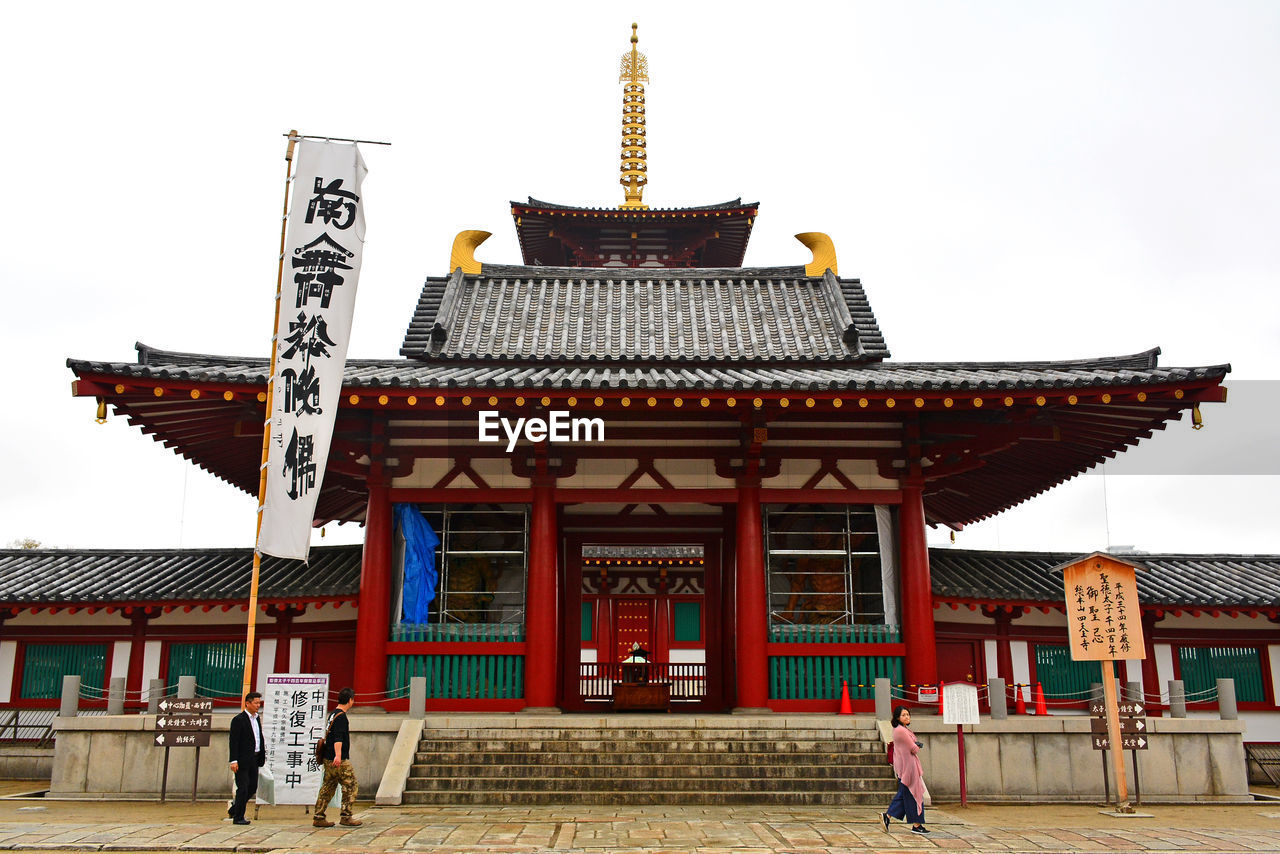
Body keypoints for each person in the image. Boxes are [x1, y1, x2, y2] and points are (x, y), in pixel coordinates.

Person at [312, 687, 361, 828]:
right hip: (338, 759)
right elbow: (338, 738)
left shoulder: (333, 714)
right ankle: (346, 815)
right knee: (351, 785)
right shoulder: (342, 717)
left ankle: (318, 816)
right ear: (350, 700)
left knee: (328, 786)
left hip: (328, 757)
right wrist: (338, 755)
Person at [882, 705, 929, 835]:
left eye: (908, 714)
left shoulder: (902, 729)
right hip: (908, 768)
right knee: (915, 795)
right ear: (897, 717)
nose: (906, 717)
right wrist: (917, 745)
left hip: (906, 767)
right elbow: (913, 748)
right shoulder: (901, 731)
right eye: (903, 715)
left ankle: (888, 816)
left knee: (904, 796)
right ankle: (916, 825)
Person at [227, 691, 266, 826]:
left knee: (252, 787)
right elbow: (234, 741)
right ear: (247, 703)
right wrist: (233, 760)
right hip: (242, 759)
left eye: (259, 703)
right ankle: (238, 817)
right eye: (255, 703)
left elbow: (258, 738)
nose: (258, 705)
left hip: (254, 758)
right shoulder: (238, 720)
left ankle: (234, 808)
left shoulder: (257, 719)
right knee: (242, 787)